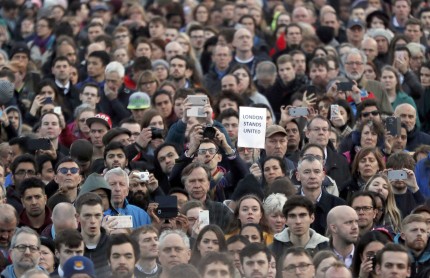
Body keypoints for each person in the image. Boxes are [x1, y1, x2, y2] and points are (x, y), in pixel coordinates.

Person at [296, 156, 346, 235]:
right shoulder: (289, 205)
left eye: (317, 171)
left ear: (323, 175)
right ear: (298, 176)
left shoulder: (339, 205)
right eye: (307, 172)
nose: (312, 176)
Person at [75, 192, 110, 276]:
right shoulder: (69, 247)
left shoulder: (113, 245)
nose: (93, 221)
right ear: (77, 217)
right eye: (87, 216)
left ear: (103, 215)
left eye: (97, 215)